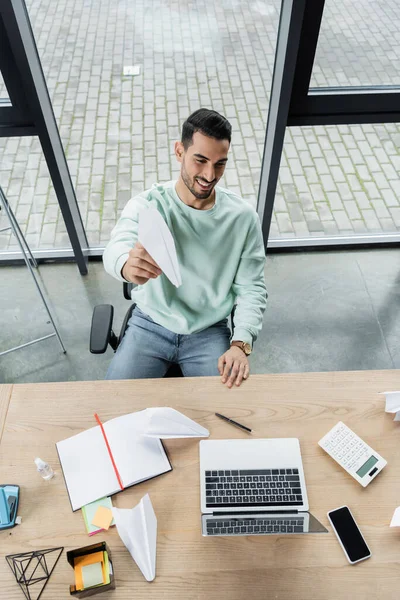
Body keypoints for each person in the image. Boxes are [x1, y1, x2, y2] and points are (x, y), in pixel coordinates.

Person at [103, 108, 267, 388]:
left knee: (228, 415)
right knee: (116, 407)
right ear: (180, 151)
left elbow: (252, 288)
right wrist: (126, 265)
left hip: (209, 331)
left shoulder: (242, 218)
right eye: (200, 160)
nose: (209, 174)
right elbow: (115, 248)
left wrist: (240, 344)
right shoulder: (149, 204)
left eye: (220, 164)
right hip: (150, 323)